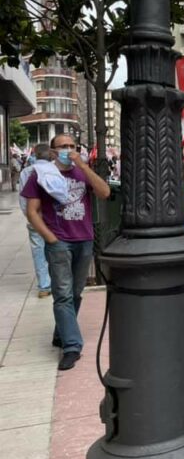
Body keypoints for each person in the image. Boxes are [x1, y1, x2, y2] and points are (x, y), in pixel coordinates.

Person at [22, 134, 111, 370]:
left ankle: (61, 332)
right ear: (52, 152)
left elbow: (104, 193)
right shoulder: (41, 175)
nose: (69, 150)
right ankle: (72, 346)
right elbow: (31, 211)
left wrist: (82, 165)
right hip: (59, 241)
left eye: (72, 146)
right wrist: (50, 238)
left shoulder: (82, 171)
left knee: (76, 292)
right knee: (62, 294)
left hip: (84, 240)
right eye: (63, 146)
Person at [18, 145, 53, 298]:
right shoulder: (55, 170)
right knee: (57, 250)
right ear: (51, 155)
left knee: (38, 251)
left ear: (35, 155)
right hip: (54, 219)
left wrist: (29, 216)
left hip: (35, 218)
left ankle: (44, 286)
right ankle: (58, 281)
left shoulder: (26, 172)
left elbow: (23, 198)